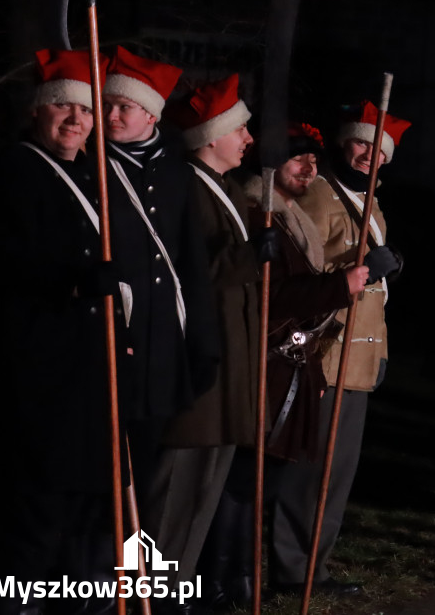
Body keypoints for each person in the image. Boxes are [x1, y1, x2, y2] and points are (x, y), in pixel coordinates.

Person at [0, 48, 131, 615]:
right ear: (37, 112)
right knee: (35, 504)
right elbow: (2, 258)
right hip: (35, 360)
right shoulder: (13, 168)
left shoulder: (84, 173)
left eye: (87, 111)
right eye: (63, 107)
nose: (77, 119)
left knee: (72, 499)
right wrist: (70, 280)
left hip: (84, 362)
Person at [269, 101, 408, 596]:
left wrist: (382, 351)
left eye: (380, 150)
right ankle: (291, 566)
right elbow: (305, 278)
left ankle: (315, 567)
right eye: (361, 143)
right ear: (343, 143)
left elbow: (378, 302)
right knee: (308, 471)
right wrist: (365, 266)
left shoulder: (372, 204)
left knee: (337, 474)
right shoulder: (322, 196)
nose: (370, 154)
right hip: (324, 355)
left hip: (360, 358)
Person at [149, 74, 262, 613]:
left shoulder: (229, 191)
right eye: (239, 129)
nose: (248, 139)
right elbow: (194, 271)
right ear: (210, 136)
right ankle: (146, 589)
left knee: (202, 492)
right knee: (171, 493)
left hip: (229, 364)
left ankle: (175, 588)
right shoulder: (187, 189)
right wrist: (250, 255)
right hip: (199, 365)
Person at [102, 46, 220, 497]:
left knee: (147, 467)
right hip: (116, 336)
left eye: (124, 107)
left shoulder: (174, 171)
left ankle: (135, 561)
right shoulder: (91, 164)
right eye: (108, 105)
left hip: (163, 342)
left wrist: (202, 341)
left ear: (151, 116)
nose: (112, 115)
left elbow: (190, 261)